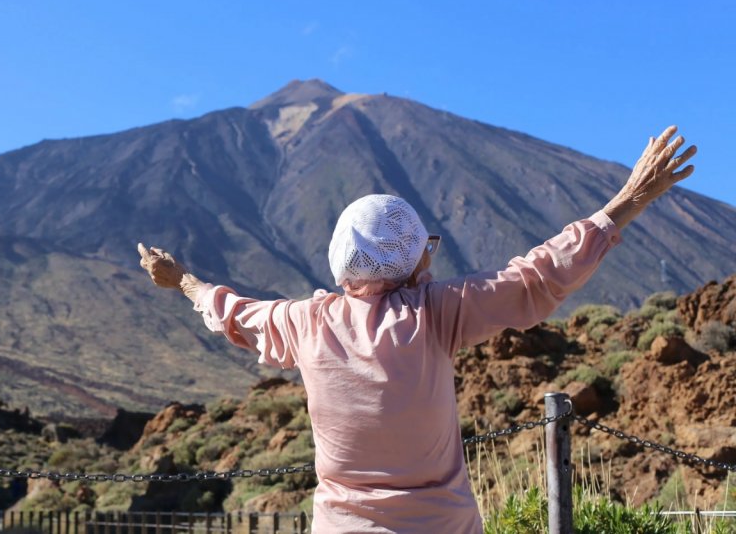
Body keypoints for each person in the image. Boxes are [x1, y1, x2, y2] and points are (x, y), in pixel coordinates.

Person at [137, 126, 696, 532]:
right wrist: (629, 198)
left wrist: (178, 278)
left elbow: (230, 311)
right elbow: (538, 274)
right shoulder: (436, 312)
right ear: (413, 264)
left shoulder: (304, 324)